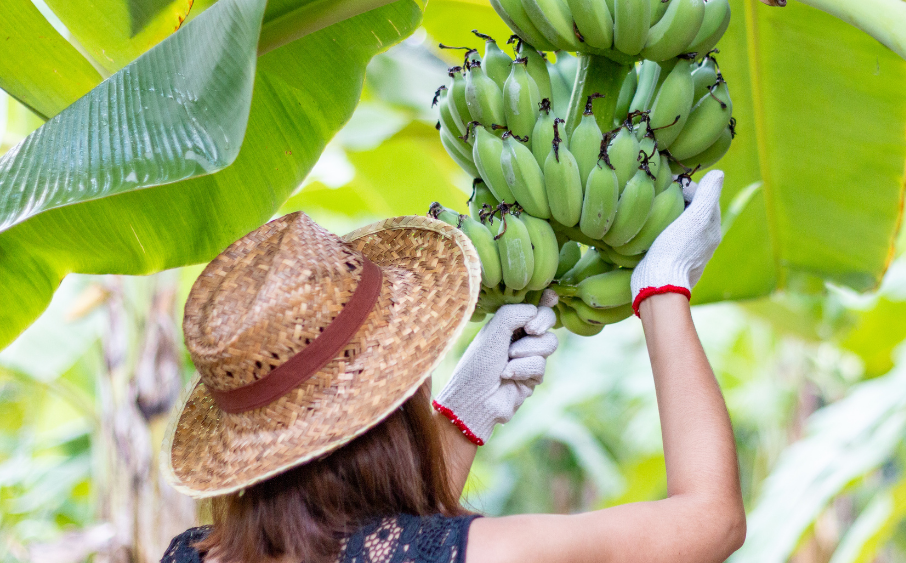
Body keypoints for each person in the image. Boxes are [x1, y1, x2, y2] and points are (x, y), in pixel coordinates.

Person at [159, 171, 743, 563]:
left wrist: (461, 421)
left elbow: (394, 543)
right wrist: (663, 290)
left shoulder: (190, 553)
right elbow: (712, 520)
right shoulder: (492, 553)